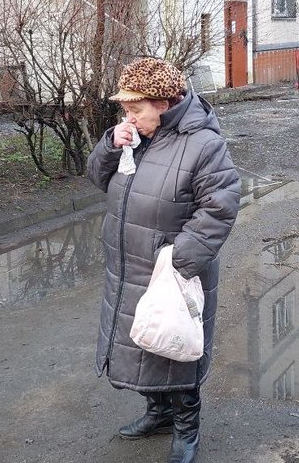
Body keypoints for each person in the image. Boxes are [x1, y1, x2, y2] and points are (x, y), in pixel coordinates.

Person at [86, 57, 241, 463]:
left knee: (176, 350)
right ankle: (157, 413)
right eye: (125, 109)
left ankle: (186, 429)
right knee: (143, 344)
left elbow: (219, 209)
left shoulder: (204, 144)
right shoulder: (135, 136)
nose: (128, 117)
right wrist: (109, 144)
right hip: (128, 266)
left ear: (165, 103)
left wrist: (176, 262)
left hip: (170, 272)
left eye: (135, 109)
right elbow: (98, 178)